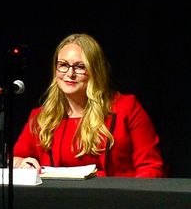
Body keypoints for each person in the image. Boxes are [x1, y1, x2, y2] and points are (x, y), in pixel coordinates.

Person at [12, 33, 165, 177]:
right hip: (58, 200)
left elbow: (151, 167)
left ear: (95, 71)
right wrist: (22, 164)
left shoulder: (126, 108)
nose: (70, 74)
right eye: (63, 65)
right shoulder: (41, 117)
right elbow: (14, 159)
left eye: (80, 67)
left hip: (115, 200)